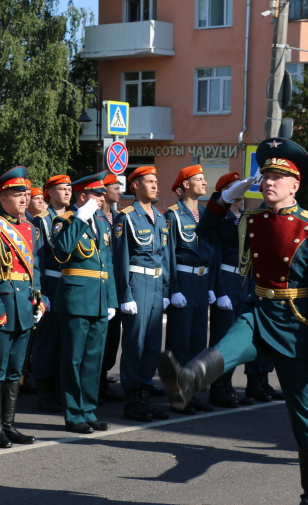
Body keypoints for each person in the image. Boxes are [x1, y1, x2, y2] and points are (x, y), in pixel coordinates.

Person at [159, 138, 308, 505]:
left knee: (302, 412)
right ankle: (187, 379)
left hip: (295, 324)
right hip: (257, 312)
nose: (268, 182)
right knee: (227, 347)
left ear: (295, 185)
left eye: (277, 176)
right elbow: (207, 231)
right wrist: (226, 198)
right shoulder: (252, 220)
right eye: (265, 176)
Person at [50, 172, 118, 433]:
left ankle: (88, 410)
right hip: (76, 299)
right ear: (83, 197)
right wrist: (79, 219)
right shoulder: (64, 221)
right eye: (97, 194)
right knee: (74, 359)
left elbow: (107, 264)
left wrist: (111, 299)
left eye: (102, 194)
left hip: (99, 299)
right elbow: (63, 251)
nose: (102, 198)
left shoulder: (101, 223)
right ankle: (73, 414)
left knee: (93, 360)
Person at [0, 166, 43, 448]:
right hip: (4, 305)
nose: (24, 199)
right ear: (2, 198)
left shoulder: (31, 228)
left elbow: (35, 267)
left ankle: (9, 424)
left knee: (15, 370)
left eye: (26, 194)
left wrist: (38, 296)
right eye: (17, 194)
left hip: (24, 306)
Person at [113, 166, 171, 422]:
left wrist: (167, 289)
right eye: (149, 181)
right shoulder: (126, 217)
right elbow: (121, 259)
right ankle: (132, 399)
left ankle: (144, 393)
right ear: (135, 186)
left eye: (156, 181)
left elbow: (164, 258)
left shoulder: (160, 218)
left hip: (156, 285)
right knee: (134, 343)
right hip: (137, 283)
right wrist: (125, 294)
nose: (155, 186)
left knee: (151, 343)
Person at [164, 165, 217, 414]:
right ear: (185, 184)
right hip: (183, 282)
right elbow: (168, 255)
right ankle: (177, 395)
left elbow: (213, 253)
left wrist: (211, 286)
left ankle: (193, 392)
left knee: (198, 341)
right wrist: (173, 289)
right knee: (179, 341)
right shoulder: (173, 215)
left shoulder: (206, 215)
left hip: (201, 282)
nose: (205, 183)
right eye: (199, 179)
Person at [206, 172, 253, 408]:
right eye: (236, 188)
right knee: (222, 338)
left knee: (236, 338)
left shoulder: (244, 218)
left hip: (243, 283)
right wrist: (219, 289)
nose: (241, 193)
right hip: (226, 279)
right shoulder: (221, 220)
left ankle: (228, 384)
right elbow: (215, 257)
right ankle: (217, 387)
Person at [31, 174, 72, 413]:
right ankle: (44, 390)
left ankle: (57, 386)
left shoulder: (72, 217)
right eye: (61, 189)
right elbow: (38, 258)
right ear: (49, 193)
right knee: (47, 340)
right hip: (50, 285)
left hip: (70, 286)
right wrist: (41, 291)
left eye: (68, 188)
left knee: (63, 341)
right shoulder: (42, 220)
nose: (67, 192)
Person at [99, 173, 124, 403]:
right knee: (97, 336)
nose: (120, 191)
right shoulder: (94, 216)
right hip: (98, 282)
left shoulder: (119, 217)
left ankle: (104, 377)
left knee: (113, 335)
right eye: (115, 187)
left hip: (115, 283)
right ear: (103, 190)